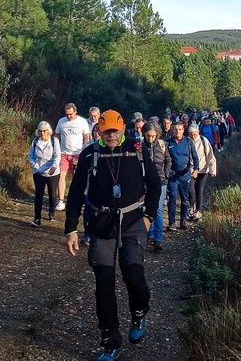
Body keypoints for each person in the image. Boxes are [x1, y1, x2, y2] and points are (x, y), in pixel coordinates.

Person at [65, 110, 161, 361]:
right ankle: (110, 340)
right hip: (101, 224)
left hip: (133, 222)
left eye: (115, 131)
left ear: (122, 129)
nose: (111, 136)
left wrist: (149, 217)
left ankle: (139, 311)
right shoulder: (90, 154)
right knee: (104, 284)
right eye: (106, 131)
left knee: (133, 274)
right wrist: (71, 228)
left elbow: (154, 183)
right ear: (98, 130)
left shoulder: (137, 150)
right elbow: (75, 192)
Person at [55, 102, 92, 211]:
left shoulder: (82, 121)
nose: (68, 116)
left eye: (70, 114)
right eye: (66, 114)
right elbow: (57, 136)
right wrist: (56, 150)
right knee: (61, 176)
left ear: (75, 112)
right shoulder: (61, 121)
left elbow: (87, 137)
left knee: (77, 178)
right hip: (63, 153)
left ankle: (77, 200)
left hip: (77, 154)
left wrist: (84, 153)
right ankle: (61, 201)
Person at [165, 121, 199, 231]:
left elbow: (195, 157)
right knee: (172, 198)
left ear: (183, 130)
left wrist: (196, 170)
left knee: (185, 198)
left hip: (185, 175)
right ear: (173, 130)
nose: (177, 131)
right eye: (175, 129)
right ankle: (171, 223)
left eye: (180, 129)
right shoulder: (168, 142)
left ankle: (183, 221)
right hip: (172, 176)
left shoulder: (188, 142)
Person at [142, 121, 170, 251]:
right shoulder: (140, 146)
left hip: (160, 182)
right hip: (145, 182)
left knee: (158, 209)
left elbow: (168, 161)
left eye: (153, 136)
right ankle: (150, 234)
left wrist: (166, 175)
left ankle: (158, 238)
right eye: (148, 135)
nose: (150, 138)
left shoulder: (163, 145)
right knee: (146, 208)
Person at [27, 121, 61, 227]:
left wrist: (54, 166)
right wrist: (35, 167)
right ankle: (37, 218)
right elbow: (30, 156)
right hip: (38, 172)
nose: (42, 133)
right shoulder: (35, 141)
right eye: (40, 131)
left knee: (52, 193)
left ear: (49, 131)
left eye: (45, 131)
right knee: (39, 194)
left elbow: (57, 155)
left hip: (52, 172)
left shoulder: (54, 141)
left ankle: (51, 212)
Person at [187, 123, 216, 222]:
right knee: (190, 190)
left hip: (203, 169)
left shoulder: (204, 141)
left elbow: (210, 156)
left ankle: (198, 211)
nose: (193, 136)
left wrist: (212, 170)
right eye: (191, 134)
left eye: (195, 134)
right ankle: (192, 206)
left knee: (199, 189)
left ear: (198, 132)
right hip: (191, 169)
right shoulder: (186, 141)